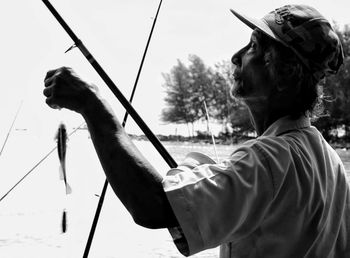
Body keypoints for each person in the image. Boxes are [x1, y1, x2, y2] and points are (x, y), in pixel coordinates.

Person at [43, 4, 350, 258]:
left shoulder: (270, 160)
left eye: (253, 47)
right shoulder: (331, 164)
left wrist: (92, 104)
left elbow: (152, 206)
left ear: (282, 71)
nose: (236, 56)